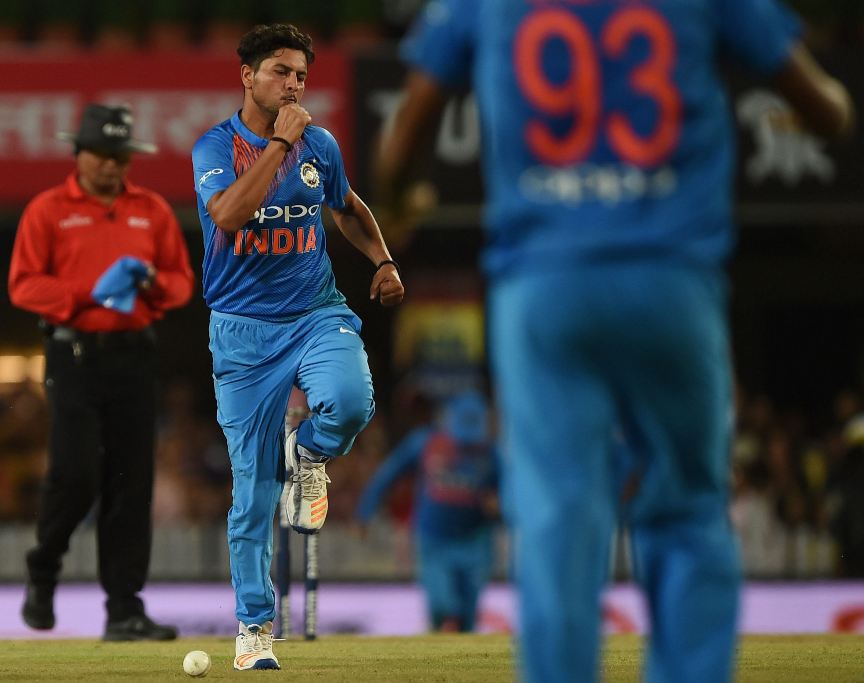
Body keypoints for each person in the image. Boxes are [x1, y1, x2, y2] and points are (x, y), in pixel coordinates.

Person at [375, 2, 854, 682]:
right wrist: (823, 104)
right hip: (671, 281)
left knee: (555, 514)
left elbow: (404, 130)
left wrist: (397, 196)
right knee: (688, 507)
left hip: (543, 287)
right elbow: (826, 109)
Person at [191, 23, 405, 671]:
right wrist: (278, 143)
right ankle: (255, 626)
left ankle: (308, 450)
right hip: (242, 332)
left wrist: (383, 258)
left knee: (350, 399)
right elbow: (228, 215)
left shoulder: (320, 144)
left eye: (301, 75)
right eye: (281, 71)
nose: (293, 84)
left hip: (315, 312)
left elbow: (345, 204)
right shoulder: (215, 145)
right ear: (247, 77)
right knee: (254, 492)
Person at [8, 103, 195, 642]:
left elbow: (181, 283)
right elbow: (24, 285)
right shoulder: (47, 210)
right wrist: (89, 293)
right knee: (75, 474)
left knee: (131, 484)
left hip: (134, 353)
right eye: (103, 156)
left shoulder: (152, 210)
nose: (113, 167)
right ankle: (44, 569)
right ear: (79, 154)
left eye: (121, 156)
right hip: (75, 355)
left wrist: (152, 283)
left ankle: (124, 610)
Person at [355, 390, 499, 633]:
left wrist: (502, 507)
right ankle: (441, 626)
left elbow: (512, 489)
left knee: (467, 614)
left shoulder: (490, 452)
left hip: (476, 542)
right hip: (434, 540)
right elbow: (389, 472)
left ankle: (457, 660)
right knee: (444, 606)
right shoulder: (425, 442)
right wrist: (365, 510)